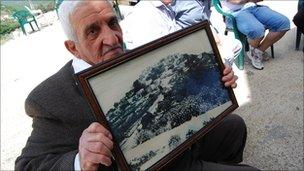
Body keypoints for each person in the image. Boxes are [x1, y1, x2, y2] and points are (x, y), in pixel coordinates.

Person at [15, 0, 254, 170]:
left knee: (234, 126)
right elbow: (27, 165)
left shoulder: (135, 55)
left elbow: (175, 85)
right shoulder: (50, 98)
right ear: (73, 47)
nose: (110, 38)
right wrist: (80, 160)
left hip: (179, 141)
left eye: (112, 23)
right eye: (92, 31)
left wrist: (216, 78)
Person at [121, 0, 242, 67]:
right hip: (177, 62)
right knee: (225, 56)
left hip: (187, 44)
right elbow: (149, 63)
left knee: (234, 45)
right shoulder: (143, 15)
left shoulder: (164, 7)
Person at [221, 0, 290, 70]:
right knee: (257, 30)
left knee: (283, 23)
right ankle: (254, 52)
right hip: (235, 12)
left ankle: (258, 51)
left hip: (253, 7)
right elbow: (236, 1)